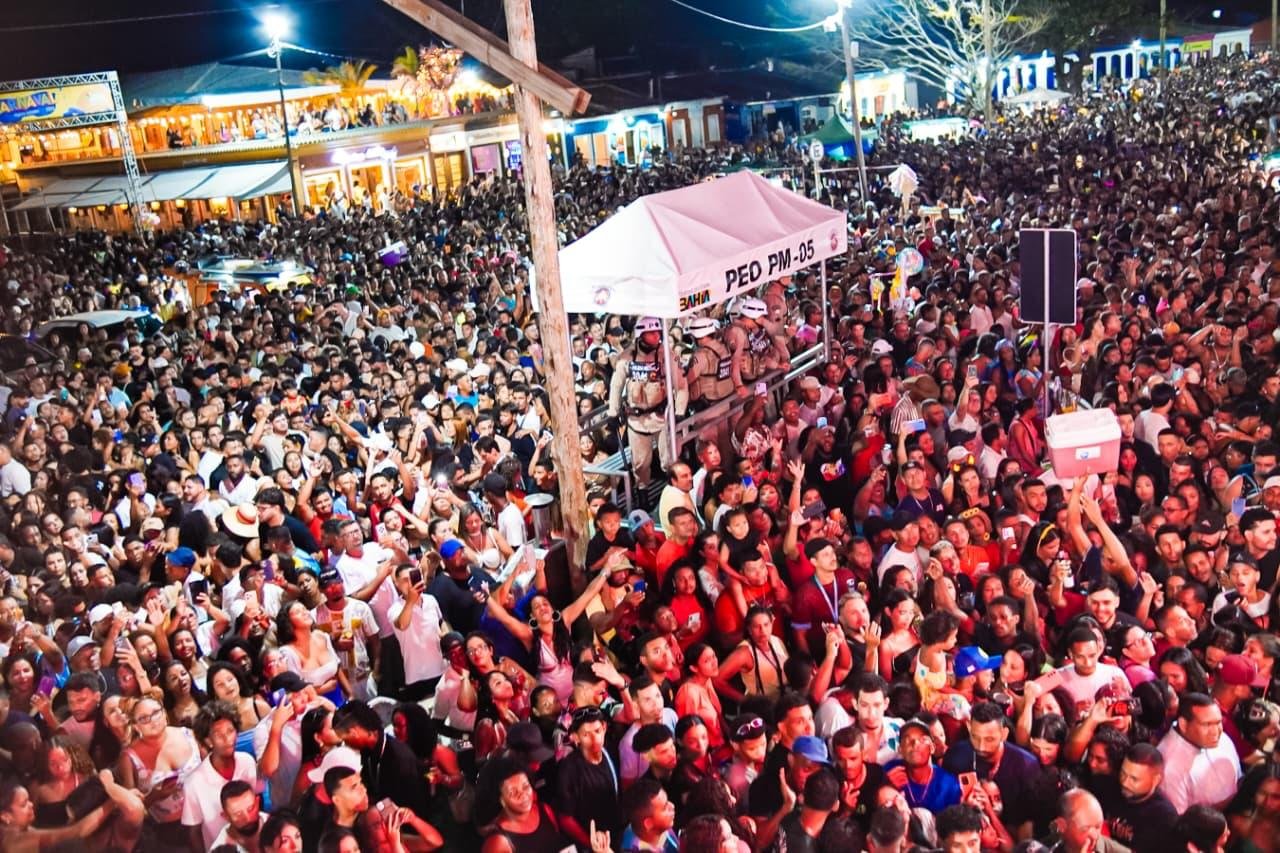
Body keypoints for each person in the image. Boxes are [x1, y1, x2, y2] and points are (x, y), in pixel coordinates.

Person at [609, 317, 688, 490]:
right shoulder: (627, 357)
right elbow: (616, 385)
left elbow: (681, 384)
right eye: (651, 333)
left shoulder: (667, 355)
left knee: (669, 460)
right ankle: (642, 491)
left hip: (662, 417)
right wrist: (613, 412)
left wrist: (680, 410)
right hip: (637, 419)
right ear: (641, 334)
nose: (655, 336)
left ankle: (673, 489)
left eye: (657, 332)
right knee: (640, 464)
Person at [1156, 693, 1241, 813]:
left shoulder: (1222, 738)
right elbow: (1181, 820)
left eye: (1218, 722)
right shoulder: (1169, 765)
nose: (1216, 731)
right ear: (1183, 724)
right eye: (1207, 724)